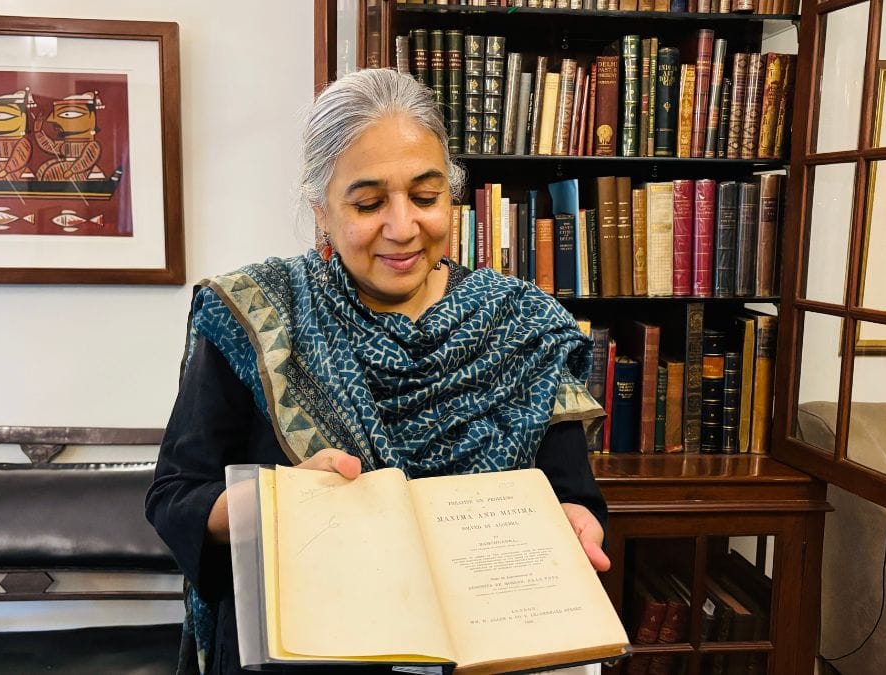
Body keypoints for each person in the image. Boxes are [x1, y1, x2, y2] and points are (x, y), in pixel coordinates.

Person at [146, 67, 609, 675]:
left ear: (453, 194)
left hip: (485, 656)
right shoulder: (256, 317)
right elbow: (175, 497)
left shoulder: (521, 326)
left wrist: (577, 526)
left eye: (426, 196)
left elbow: (573, 498)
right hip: (305, 658)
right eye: (368, 203)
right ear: (322, 211)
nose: (402, 227)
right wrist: (278, 504)